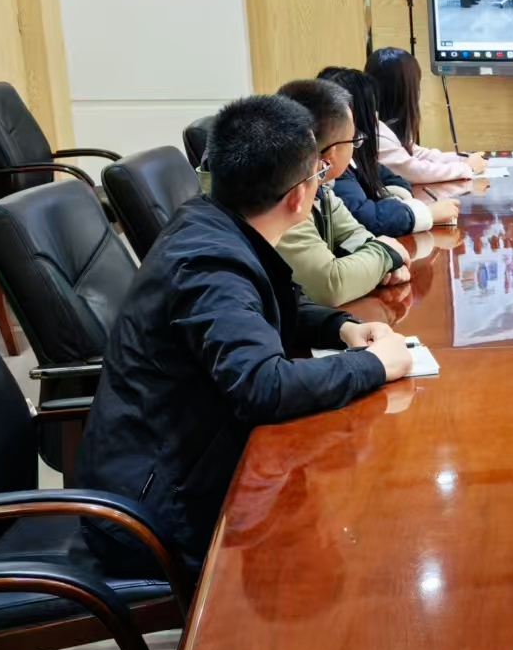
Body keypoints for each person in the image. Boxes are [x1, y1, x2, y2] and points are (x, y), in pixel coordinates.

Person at [75, 94, 411, 573]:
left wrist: (341, 328)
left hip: (185, 462)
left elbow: (272, 302)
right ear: (299, 196)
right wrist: (374, 365)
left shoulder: (215, 224)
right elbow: (262, 386)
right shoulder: (210, 264)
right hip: (155, 512)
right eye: (318, 173)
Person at [275, 78, 414, 307]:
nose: (356, 146)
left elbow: (352, 234)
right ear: (331, 154)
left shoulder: (321, 185)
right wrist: (387, 255)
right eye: (353, 140)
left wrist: (382, 262)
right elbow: (330, 286)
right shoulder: (282, 195)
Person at [328, 67, 460, 237]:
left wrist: (396, 203)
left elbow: (394, 179)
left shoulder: (357, 152)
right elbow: (368, 219)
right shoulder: (334, 166)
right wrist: (426, 213)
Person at [366, 46, 486, 185]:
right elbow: (413, 171)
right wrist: (467, 168)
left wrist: (461, 158)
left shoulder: (384, 126)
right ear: (406, 91)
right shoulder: (377, 133)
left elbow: (418, 154)